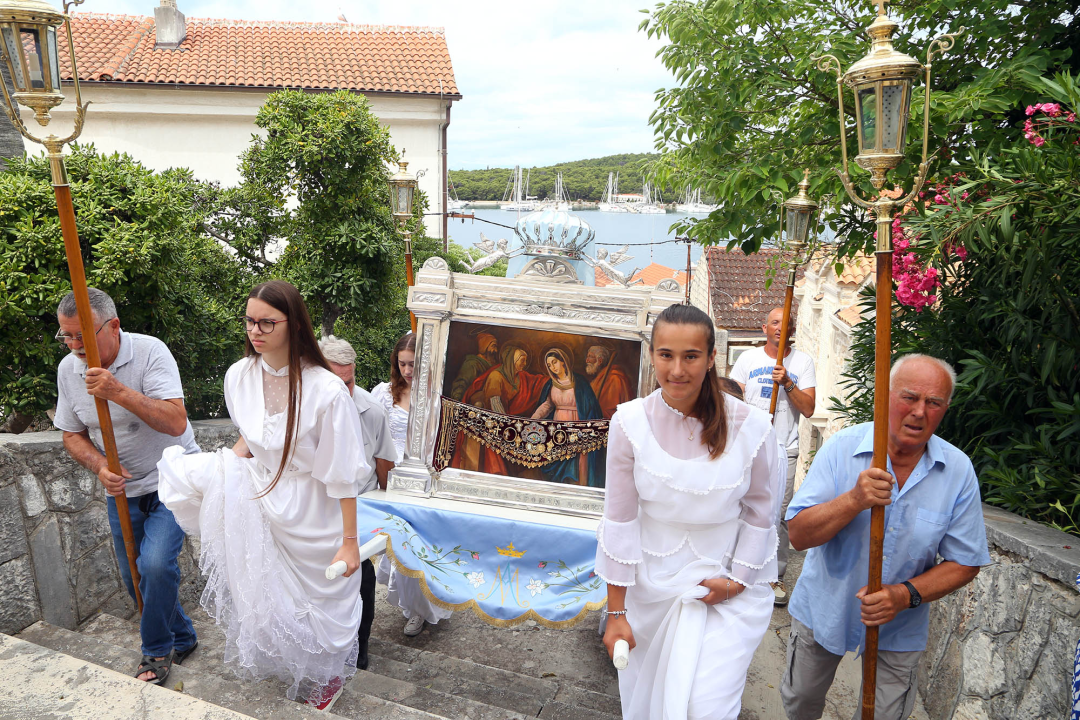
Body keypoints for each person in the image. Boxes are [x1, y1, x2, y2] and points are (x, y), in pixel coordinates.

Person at [156, 280, 367, 710]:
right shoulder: (239, 375)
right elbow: (250, 439)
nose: (255, 330)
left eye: (267, 322)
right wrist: (224, 472)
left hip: (313, 506)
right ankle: (293, 666)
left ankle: (326, 676)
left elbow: (344, 474)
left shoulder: (326, 390)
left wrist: (350, 543)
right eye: (250, 321)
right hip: (261, 493)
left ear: (294, 324)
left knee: (319, 599)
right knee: (267, 591)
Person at [781, 354, 991, 720]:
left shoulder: (957, 470)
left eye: (934, 402)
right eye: (909, 397)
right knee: (801, 701)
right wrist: (854, 500)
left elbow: (966, 561)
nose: (920, 412)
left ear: (946, 409)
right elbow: (798, 534)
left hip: (899, 626)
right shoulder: (842, 449)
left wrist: (903, 595)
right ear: (886, 396)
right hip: (823, 608)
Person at [598, 303, 782, 720]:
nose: (677, 369)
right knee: (652, 705)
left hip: (726, 587)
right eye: (666, 355)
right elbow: (620, 520)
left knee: (706, 708)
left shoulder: (752, 426)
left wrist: (735, 582)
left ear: (712, 357)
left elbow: (759, 514)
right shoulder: (628, 423)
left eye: (691, 356)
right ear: (652, 355)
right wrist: (616, 613)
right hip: (651, 590)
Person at [54, 288, 200, 687]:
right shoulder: (69, 369)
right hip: (122, 490)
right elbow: (71, 434)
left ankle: (156, 649)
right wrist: (100, 465)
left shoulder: (151, 351)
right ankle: (184, 636)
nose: (73, 346)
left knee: (154, 565)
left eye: (81, 336)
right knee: (133, 575)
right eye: (66, 336)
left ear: (114, 326)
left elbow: (176, 422)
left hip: (173, 477)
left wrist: (116, 390)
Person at [319, 335, 398, 670]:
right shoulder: (303, 407)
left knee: (362, 582)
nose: (344, 391)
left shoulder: (372, 412)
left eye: (349, 382)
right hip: (315, 514)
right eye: (336, 383)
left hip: (358, 515)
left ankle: (360, 645)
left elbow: (384, 470)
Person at [731, 307, 816, 606]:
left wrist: (788, 383)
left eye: (787, 323)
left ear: (793, 329)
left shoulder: (803, 362)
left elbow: (808, 409)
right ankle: (736, 567)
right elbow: (732, 398)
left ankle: (773, 576)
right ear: (764, 327)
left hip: (784, 448)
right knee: (738, 505)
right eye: (775, 322)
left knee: (777, 515)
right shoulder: (748, 359)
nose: (781, 327)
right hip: (747, 447)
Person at [372, 331, 454, 637]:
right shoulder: (383, 393)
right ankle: (413, 607)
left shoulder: (437, 396)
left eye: (413, 364)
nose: (407, 371)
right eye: (402, 364)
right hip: (391, 480)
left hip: (427, 480)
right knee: (399, 546)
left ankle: (426, 606)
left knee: (424, 547)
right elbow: (372, 435)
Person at [451, 343, 548, 475]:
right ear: (512, 360)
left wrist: (553, 381)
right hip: (492, 423)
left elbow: (536, 381)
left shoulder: (519, 376)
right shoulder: (496, 376)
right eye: (522, 360)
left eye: (525, 360)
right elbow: (495, 403)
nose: (524, 363)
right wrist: (507, 425)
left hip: (509, 421)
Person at [531, 346, 606, 487]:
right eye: (549, 365)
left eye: (554, 362)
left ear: (563, 362)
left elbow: (590, 407)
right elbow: (547, 405)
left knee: (577, 466)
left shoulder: (580, 382)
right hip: (558, 430)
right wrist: (533, 419)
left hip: (577, 429)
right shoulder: (551, 384)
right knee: (558, 464)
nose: (552, 367)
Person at [586, 344, 635, 419]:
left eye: (590, 357)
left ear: (600, 361)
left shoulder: (614, 378)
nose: (587, 360)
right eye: (587, 357)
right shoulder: (598, 380)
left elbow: (612, 411)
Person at [450, 331, 499, 400]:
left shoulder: (494, 365)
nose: (495, 351)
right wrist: (457, 400)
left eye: (496, 347)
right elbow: (461, 383)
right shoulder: (472, 363)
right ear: (484, 346)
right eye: (493, 346)